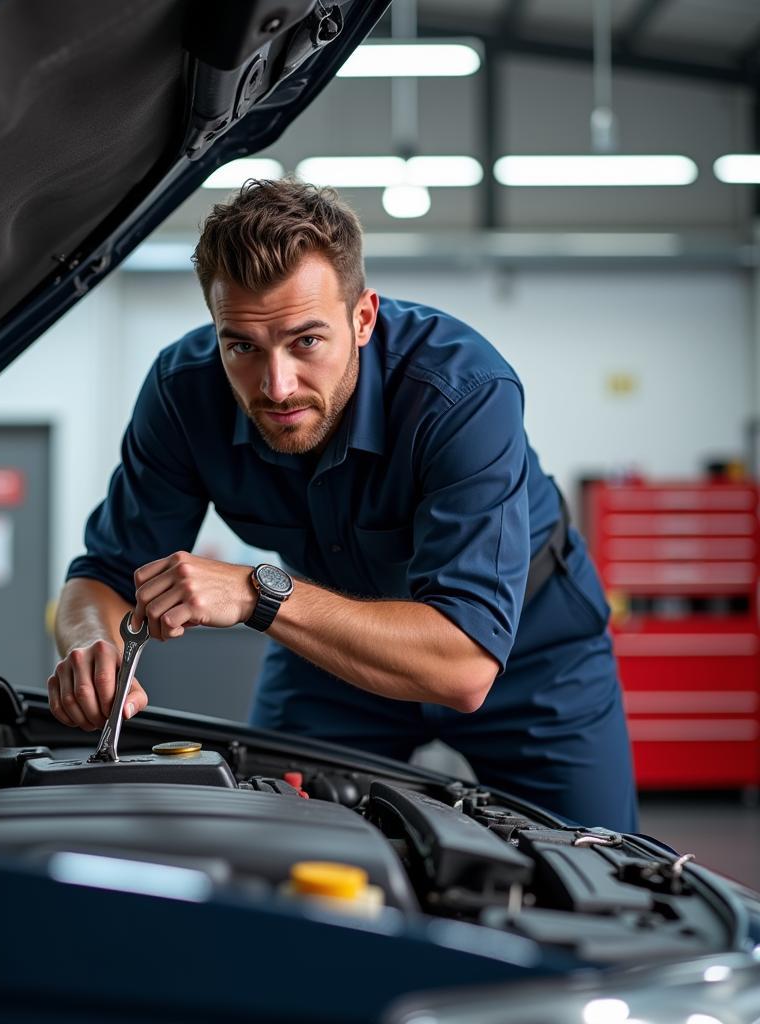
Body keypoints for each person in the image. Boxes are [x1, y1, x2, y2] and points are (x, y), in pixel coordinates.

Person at [49, 178, 637, 832]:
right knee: (275, 849)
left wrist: (256, 591)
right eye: (242, 345)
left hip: (530, 656)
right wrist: (93, 649)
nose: (276, 385)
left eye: (305, 341)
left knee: (598, 870)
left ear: (363, 319)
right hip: (333, 655)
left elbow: (465, 666)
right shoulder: (183, 393)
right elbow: (100, 577)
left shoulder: (462, 392)